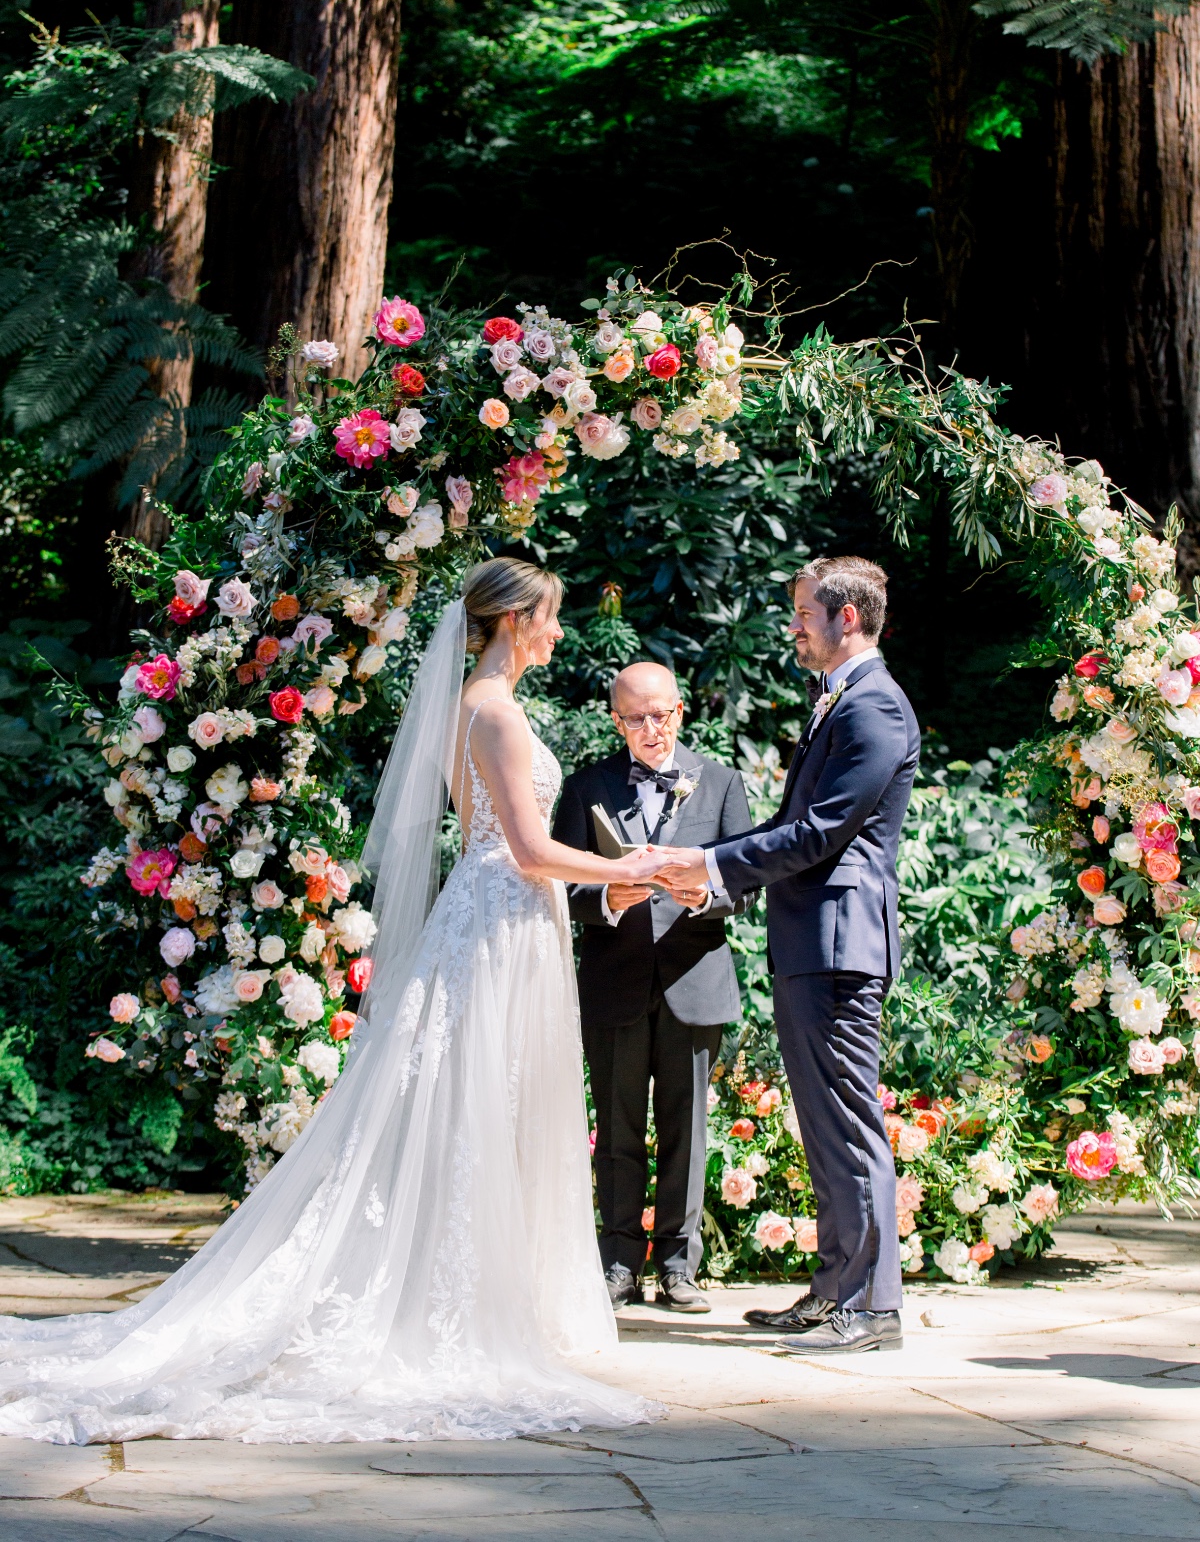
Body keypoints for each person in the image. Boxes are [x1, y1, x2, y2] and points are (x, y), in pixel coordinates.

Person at [0, 559, 666, 1443]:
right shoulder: (495, 711)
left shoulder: (482, 704)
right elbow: (531, 848)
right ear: (512, 620)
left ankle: (500, 1287)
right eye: (547, 617)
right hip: (501, 920)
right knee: (476, 1104)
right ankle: (462, 1299)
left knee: (490, 1104)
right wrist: (625, 869)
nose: (556, 632)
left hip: (507, 920)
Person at [652, 557, 920, 1356]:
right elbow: (796, 827)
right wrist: (712, 876)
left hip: (841, 945)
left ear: (846, 618)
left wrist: (706, 867)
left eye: (804, 611)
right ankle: (837, 1287)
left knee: (848, 1123)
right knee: (824, 1124)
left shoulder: (875, 709)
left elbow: (818, 834)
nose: (795, 625)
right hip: (815, 943)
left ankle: (871, 1307)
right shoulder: (843, 702)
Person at [553, 662, 752, 1313]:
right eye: (635, 717)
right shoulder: (587, 787)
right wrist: (607, 897)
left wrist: (707, 892)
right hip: (614, 981)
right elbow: (558, 888)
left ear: (681, 711)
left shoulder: (721, 784)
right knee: (615, 1131)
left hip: (695, 980)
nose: (650, 728)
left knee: (685, 1130)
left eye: (660, 714)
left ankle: (677, 1265)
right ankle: (617, 1263)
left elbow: (747, 881)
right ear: (617, 720)